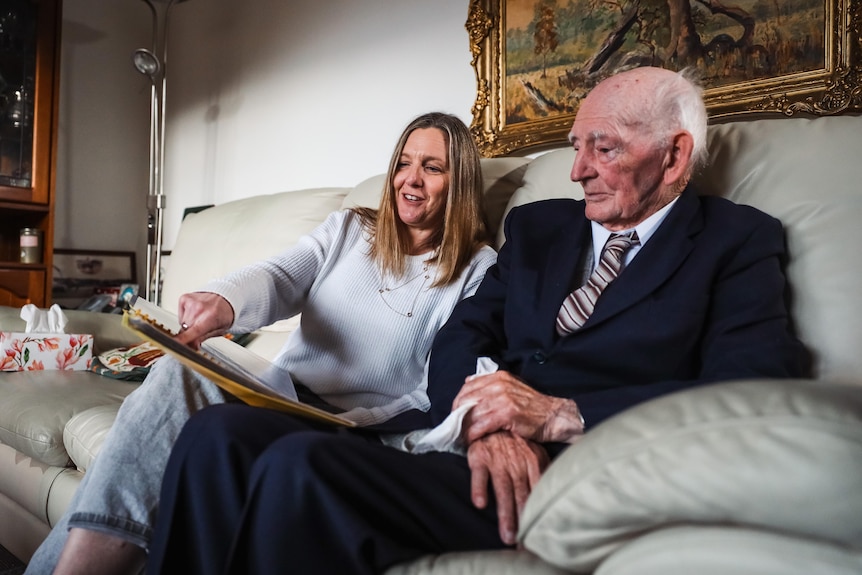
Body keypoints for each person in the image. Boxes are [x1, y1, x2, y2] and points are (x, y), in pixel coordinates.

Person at [145, 67, 809, 574]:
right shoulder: (541, 226)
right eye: (575, 147)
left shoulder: (736, 241)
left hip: (568, 460)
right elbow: (463, 332)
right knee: (216, 435)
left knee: (300, 466)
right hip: (458, 438)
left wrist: (558, 413)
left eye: (602, 150)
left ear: (673, 156)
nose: (577, 171)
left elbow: (751, 386)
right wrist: (483, 421)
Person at [27, 112, 497, 575]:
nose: (410, 179)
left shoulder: (478, 269)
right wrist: (223, 300)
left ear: (460, 183)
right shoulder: (351, 230)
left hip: (354, 427)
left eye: (432, 168)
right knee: (179, 371)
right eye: (403, 163)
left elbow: (443, 383)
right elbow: (280, 275)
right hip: (278, 395)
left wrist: (357, 422)